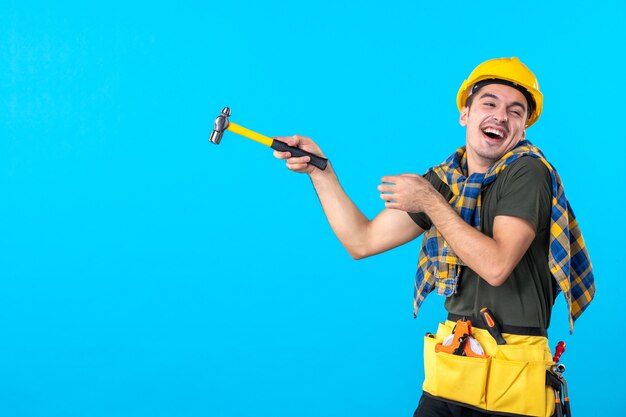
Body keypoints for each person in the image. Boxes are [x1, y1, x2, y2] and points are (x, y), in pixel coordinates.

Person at [273, 57, 595, 417]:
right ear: (465, 114)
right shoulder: (446, 178)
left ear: (523, 128)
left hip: (512, 378)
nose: (501, 116)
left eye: (515, 111)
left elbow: (496, 265)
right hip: (456, 366)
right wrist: (322, 171)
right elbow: (361, 240)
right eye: (489, 103)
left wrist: (430, 201)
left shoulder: (528, 172)